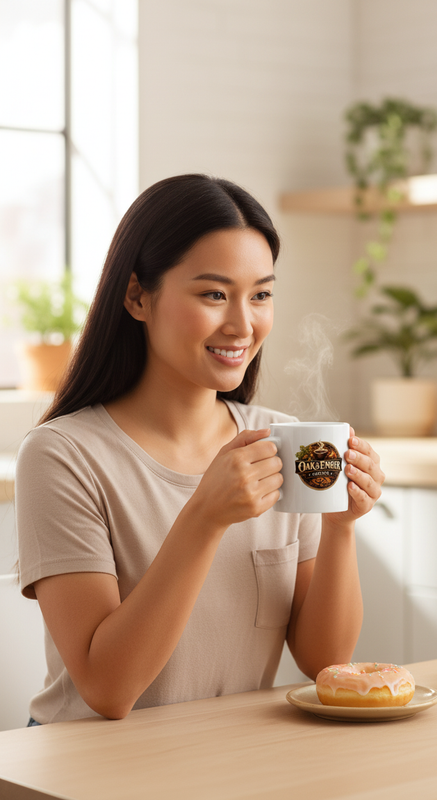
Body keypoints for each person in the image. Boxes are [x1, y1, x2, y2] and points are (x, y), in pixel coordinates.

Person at [16, 174, 385, 725]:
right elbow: (107, 689)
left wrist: (341, 524)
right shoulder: (62, 456)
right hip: (87, 769)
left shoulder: (280, 443)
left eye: (261, 294)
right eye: (214, 294)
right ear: (138, 297)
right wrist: (205, 518)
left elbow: (324, 661)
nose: (242, 324)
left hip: (221, 761)